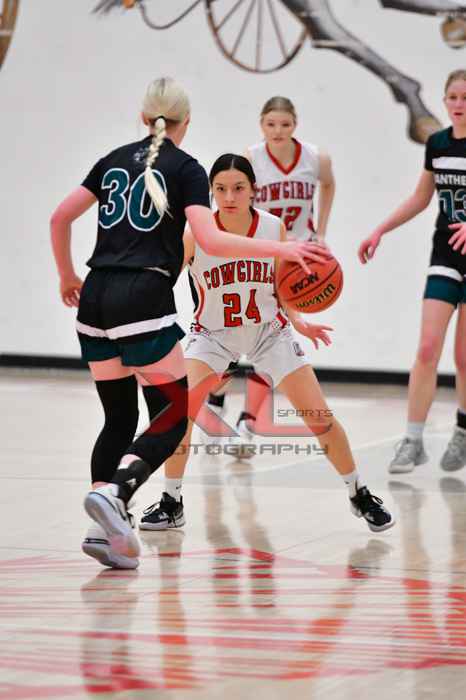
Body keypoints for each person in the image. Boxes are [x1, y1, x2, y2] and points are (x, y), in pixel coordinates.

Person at [50, 77, 327, 569]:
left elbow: (59, 218)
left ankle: (101, 530)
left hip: (93, 299)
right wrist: (280, 247)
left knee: (118, 419)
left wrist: (67, 275)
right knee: (175, 414)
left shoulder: (113, 159)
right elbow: (212, 240)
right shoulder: (186, 168)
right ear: (187, 121)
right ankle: (117, 493)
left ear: (144, 118)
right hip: (141, 299)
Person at [140, 153, 395, 534]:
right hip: (212, 335)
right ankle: (171, 501)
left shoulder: (273, 227)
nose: (229, 196)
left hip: (268, 331)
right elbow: (162, 283)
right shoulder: (196, 234)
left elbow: (282, 284)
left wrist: (300, 321)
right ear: (211, 192)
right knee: (179, 415)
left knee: (319, 417)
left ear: (253, 191)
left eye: (238, 188)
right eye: (220, 189)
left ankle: (359, 493)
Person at [205, 96, 336, 444]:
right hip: (257, 253)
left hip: (295, 261)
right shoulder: (251, 158)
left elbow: (328, 184)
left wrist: (321, 232)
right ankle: (216, 398)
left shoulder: (316, 158)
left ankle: (248, 421)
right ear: (261, 124)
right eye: (271, 124)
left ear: (296, 124)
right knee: (230, 331)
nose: (278, 131)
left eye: (285, 124)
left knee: (273, 339)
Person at [358, 69, 466, 474]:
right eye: (453, 97)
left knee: (464, 356)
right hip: (446, 255)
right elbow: (422, 197)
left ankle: (462, 431)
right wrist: (379, 230)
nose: (458, 104)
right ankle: (413, 440)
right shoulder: (437, 143)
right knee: (426, 347)